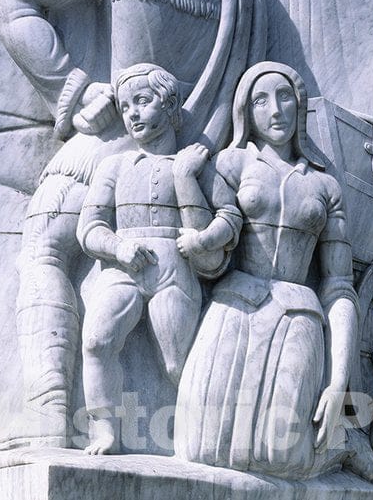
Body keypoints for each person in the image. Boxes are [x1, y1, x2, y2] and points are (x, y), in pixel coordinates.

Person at [0, 0, 266, 450]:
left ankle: (50, 410)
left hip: (107, 150)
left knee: (46, 250)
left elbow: (11, 5)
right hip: (194, 170)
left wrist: (71, 88)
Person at [174, 62, 373, 480]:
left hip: (297, 315)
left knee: (283, 456)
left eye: (285, 97)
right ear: (246, 111)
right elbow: (209, 258)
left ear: (300, 106)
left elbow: (339, 287)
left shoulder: (325, 186)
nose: (275, 110)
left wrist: (339, 379)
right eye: (261, 100)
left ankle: (345, 445)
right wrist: (185, 182)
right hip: (234, 308)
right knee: (199, 446)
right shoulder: (230, 165)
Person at [77, 63, 241, 455]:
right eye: (126, 106)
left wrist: (203, 234)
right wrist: (118, 247)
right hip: (125, 266)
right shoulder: (113, 166)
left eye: (143, 101)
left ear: (169, 106)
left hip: (175, 269)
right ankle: (104, 430)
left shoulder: (196, 165)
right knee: (97, 340)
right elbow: (89, 226)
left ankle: (202, 436)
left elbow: (230, 217)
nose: (132, 113)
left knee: (178, 364)